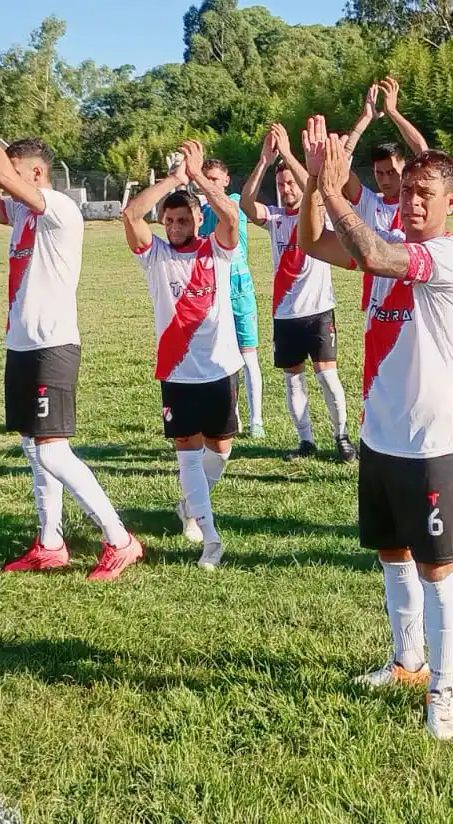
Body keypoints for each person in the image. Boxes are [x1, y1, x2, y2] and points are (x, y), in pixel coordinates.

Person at [297, 115, 453, 741]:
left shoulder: (449, 256)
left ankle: (443, 688)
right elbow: (315, 245)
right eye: (407, 191)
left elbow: (368, 249)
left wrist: (327, 185)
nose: (414, 200)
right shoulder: (388, 251)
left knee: (437, 567)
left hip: (432, 444)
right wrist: (314, 189)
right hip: (380, 438)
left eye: (427, 192)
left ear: (451, 201)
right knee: (392, 554)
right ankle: (407, 662)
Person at [0, 75, 143, 582]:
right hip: (21, 344)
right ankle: (51, 542)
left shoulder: (59, 208)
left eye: (14, 174)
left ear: (37, 172)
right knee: (35, 449)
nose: (5, 182)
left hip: (52, 345)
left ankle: (120, 539)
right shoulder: (20, 213)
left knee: (53, 449)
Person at [123, 140, 244, 570]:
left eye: (183, 218)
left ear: (197, 218)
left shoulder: (217, 249)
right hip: (177, 373)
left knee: (222, 449)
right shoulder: (154, 255)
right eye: (169, 219)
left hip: (221, 368)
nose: (175, 226)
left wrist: (198, 181)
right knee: (188, 454)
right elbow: (131, 215)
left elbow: (230, 216)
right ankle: (209, 537)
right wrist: (174, 179)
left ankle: (191, 506)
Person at [240, 123, 356, 463]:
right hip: (285, 314)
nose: (286, 188)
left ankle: (342, 436)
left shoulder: (317, 213)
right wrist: (264, 162)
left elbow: (315, 190)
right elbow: (247, 204)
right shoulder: (275, 218)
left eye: (290, 182)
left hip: (318, 311)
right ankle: (306, 441)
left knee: (327, 375)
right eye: (281, 184)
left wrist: (290, 156)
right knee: (294, 381)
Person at [342, 77, 431, 310]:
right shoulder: (368, 203)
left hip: (414, 299)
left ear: (406, 169)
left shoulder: (417, 201)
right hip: (377, 304)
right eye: (379, 174)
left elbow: (424, 152)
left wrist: (393, 112)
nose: (385, 179)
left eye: (392, 172)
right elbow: (339, 168)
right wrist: (364, 120)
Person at [198, 157, 265, 439]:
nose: (211, 184)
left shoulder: (234, 201)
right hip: (217, 295)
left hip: (242, 292)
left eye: (216, 179)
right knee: (225, 360)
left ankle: (257, 420)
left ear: (226, 180)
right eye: (206, 179)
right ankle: (232, 416)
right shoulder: (201, 213)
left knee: (249, 358)